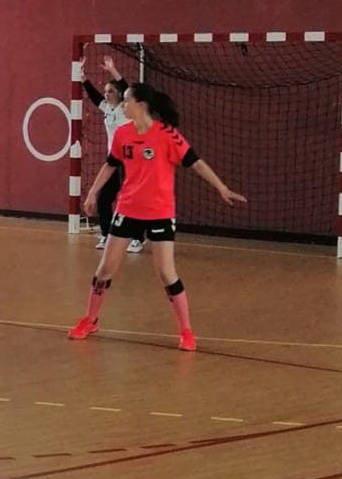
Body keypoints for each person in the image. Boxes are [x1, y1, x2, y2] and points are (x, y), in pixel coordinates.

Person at [69, 83, 246, 351]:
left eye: (127, 100)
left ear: (141, 105)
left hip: (160, 212)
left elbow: (196, 162)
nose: (123, 105)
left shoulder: (167, 135)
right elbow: (110, 165)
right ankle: (90, 320)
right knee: (105, 269)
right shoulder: (123, 134)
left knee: (166, 272)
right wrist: (92, 193)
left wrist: (221, 187)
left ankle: (186, 331)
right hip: (128, 209)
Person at [80, 54, 140, 253]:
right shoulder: (106, 108)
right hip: (113, 161)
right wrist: (83, 77)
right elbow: (93, 95)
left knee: (130, 198)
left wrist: (112, 69)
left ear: (119, 94)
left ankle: (137, 238)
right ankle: (106, 234)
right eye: (105, 91)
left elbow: (125, 85)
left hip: (129, 160)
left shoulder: (125, 108)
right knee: (104, 198)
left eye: (110, 91)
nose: (106, 94)